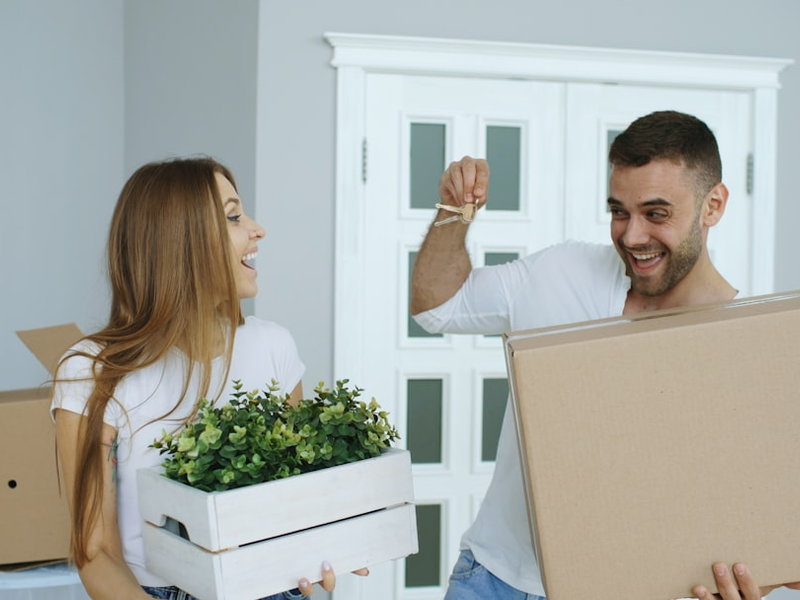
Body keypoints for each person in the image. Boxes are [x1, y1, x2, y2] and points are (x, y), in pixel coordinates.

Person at [410, 110, 800, 600]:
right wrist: (453, 211)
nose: (632, 236)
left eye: (656, 214)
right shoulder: (562, 272)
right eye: (619, 211)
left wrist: (751, 572)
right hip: (494, 580)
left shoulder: (748, 352)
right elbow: (437, 308)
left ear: (713, 205)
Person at [51, 158, 360, 599]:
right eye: (234, 217)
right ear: (182, 242)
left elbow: (293, 504)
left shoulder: (275, 348)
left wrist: (319, 554)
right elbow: (96, 553)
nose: (257, 229)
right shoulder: (92, 373)